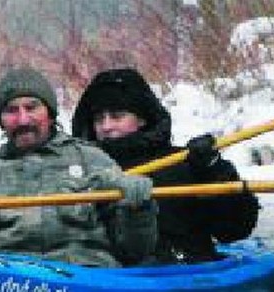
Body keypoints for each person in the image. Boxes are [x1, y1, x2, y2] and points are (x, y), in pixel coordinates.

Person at [0, 67, 157, 267]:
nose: (23, 120)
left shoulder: (92, 160)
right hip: (6, 279)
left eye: (31, 108)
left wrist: (137, 209)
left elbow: (135, 251)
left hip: (86, 277)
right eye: (11, 111)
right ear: (1, 122)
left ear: (50, 114)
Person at [72, 68, 259, 264]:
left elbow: (235, 230)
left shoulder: (184, 162)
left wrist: (215, 169)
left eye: (117, 116)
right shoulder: (80, 169)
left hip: (184, 272)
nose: (106, 126)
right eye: (99, 119)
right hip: (103, 272)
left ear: (142, 118)